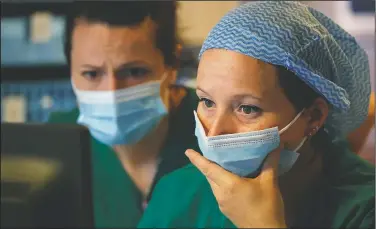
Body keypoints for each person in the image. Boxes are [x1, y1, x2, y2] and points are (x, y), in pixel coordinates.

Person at [138, 2, 375, 228]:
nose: (215, 132)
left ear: (313, 116)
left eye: (247, 109)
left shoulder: (364, 210)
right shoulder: (178, 195)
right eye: (207, 102)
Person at [47, 1, 199, 227]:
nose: (111, 92)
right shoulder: (59, 143)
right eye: (91, 74)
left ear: (172, 64)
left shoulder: (216, 131)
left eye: (134, 72)